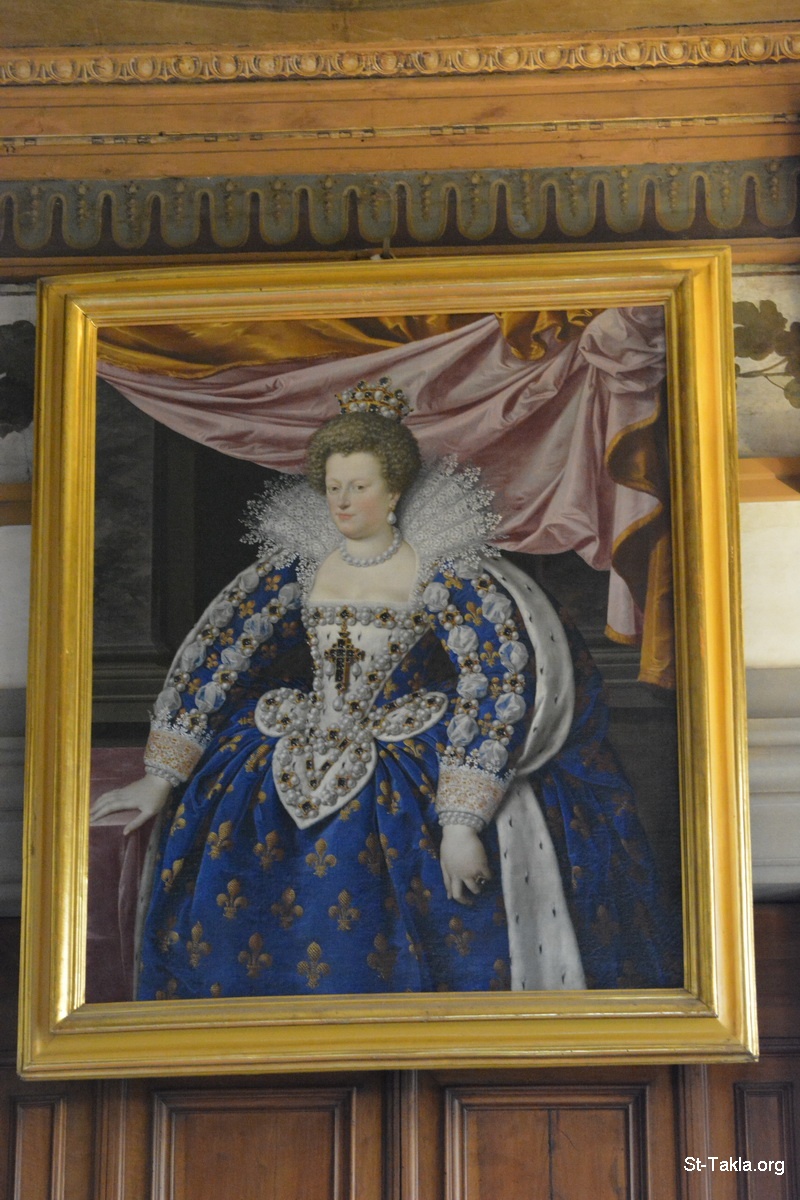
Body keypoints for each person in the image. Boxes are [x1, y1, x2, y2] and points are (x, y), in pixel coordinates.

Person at [92, 378, 681, 999]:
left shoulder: (447, 572)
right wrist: (160, 776)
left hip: (408, 760)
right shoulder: (295, 566)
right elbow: (217, 658)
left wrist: (461, 821)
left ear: (395, 490)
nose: (342, 502)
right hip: (291, 745)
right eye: (333, 487)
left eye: (359, 486)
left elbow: (496, 682)